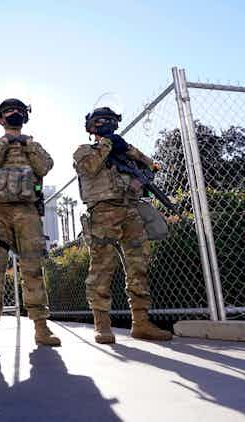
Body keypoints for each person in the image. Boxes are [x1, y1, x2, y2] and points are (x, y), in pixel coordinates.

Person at [73, 105, 172, 344]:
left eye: (109, 121)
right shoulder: (84, 150)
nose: (105, 125)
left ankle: (141, 323)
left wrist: (135, 163)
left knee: (139, 266)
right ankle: (102, 325)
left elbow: (153, 166)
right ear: (91, 128)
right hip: (103, 211)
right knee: (102, 267)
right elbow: (88, 167)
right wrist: (108, 144)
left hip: (131, 209)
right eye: (100, 122)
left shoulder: (125, 151)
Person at [0, 98, 61, 349]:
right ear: (1, 119)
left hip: (28, 211)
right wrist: (7, 141)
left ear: (24, 118)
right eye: (8, 112)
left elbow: (45, 167)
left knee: (33, 268)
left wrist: (27, 145)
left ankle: (41, 326)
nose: (13, 114)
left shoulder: (33, 145)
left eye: (18, 112)